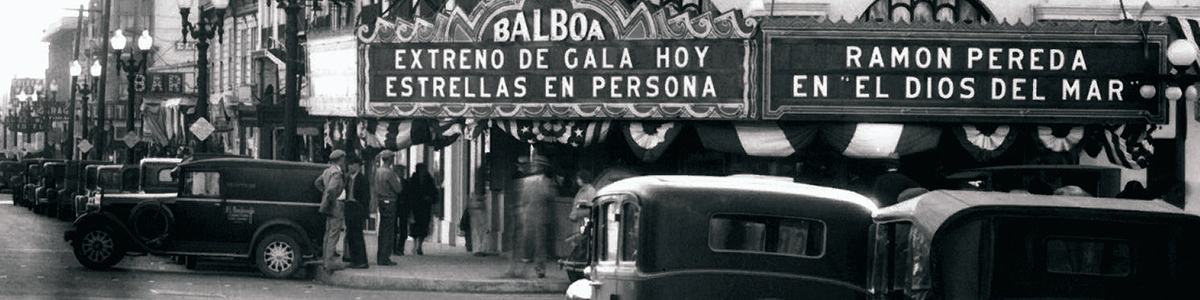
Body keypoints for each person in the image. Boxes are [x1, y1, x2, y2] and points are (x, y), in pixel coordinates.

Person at [505, 154, 557, 278]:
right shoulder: (536, 181)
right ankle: (523, 269)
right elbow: (547, 198)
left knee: (536, 244)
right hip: (531, 215)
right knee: (530, 244)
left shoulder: (535, 181)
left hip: (536, 216)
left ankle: (534, 268)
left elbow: (548, 199)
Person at [314, 149, 348, 273]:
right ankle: (329, 262)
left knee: (328, 233)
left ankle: (325, 259)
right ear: (341, 160)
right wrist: (332, 198)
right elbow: (331, 189)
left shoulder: (327, 171)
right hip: (336, 204)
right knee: (334, 234)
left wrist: (325, 195)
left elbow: (317, 183)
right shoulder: (336, 173)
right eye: (344, 160)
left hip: (329, 205)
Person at [371, 150, 404, 266]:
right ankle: (385, 257)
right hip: (390, 201)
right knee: (388, 230)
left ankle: (381, 256)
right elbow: (398, 189)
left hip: (381, 201)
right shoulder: (389, 173)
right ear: (389, 159)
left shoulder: (378, 171)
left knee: (382, 229)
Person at [403, 163, 438, 255]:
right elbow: (409, 193)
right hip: (415, 206)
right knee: (415, 226)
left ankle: (420, 245)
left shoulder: (429, 180)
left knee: (424, 226)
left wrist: (430, 199)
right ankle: (415, 244)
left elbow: (434, 193)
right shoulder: (413, 180)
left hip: (425, 207)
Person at [342, 156, 370, 269]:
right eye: (349, 164)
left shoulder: (362, 179)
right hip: (349, 207)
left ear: (358, 166)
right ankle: (353, 259)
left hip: (357, 208)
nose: (350, 167)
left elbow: (366, 197)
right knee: (350, 234)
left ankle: (361, 261)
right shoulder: (349, 178)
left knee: (357, 235)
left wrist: (363, 211)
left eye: (353, 164)